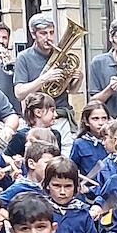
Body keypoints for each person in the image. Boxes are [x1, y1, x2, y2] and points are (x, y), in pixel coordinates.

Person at [14, 14, 84, 142]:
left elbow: (72, 91)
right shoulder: (24, 58)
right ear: (33, 35)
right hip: (38, 121)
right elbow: (19, 93)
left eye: (51, 33)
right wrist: (44, 79)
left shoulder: (62, 56)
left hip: (62, 116)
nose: (49, 38)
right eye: (43, 33)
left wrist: (77, 79)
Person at [4, 91, 57, 160]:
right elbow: (6, 157)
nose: (56, 115)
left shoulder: (55, 134)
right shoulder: (21, 136)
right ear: (38, 112)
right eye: (52, 111)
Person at [70, 101, 110, 179]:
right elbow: (72, 169)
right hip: (89, 187)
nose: (101, 123)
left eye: (104, 118)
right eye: (95, 119)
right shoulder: (79, 143)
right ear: (86, 121)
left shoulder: (113, 141)